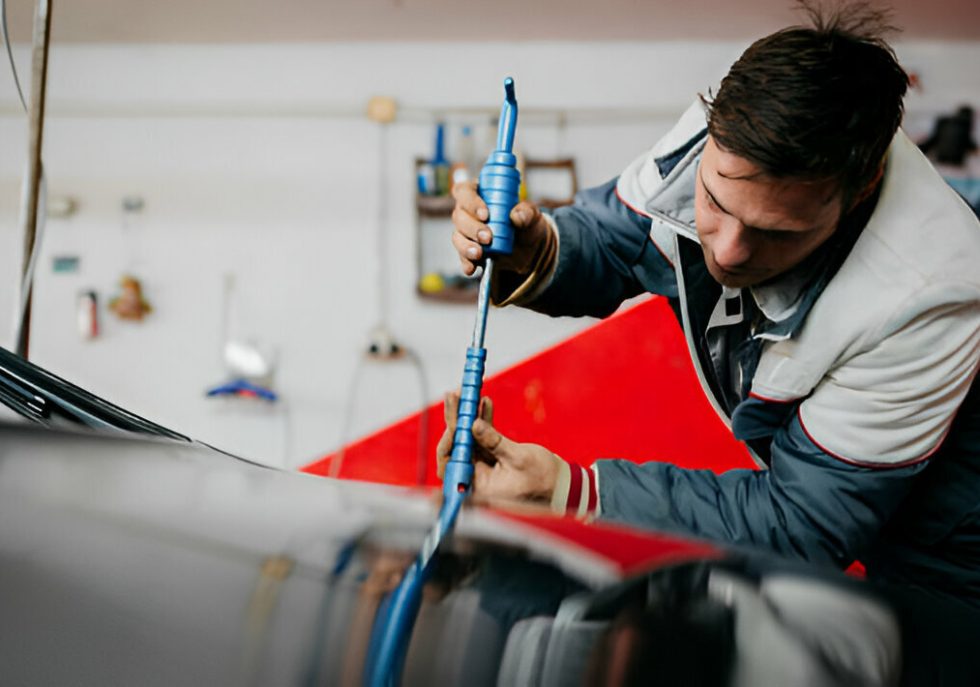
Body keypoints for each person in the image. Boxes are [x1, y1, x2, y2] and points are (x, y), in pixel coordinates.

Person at [437, 0, 980, 630]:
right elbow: (620, 236)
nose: (725, 250)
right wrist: (540, 249)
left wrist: (573, 492)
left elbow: (798, 525)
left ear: (858, 191)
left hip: (954, 570)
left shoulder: (928, 292)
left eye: (775, 233)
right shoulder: (718, 134)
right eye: (716, 202)